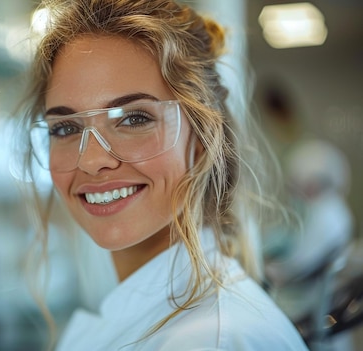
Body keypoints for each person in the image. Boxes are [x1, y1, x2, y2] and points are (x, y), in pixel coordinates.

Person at [18, 0, 309, 350]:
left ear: (202, 139)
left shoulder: (212, 340)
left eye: (134, 119)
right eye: (65, 127)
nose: (92, 161)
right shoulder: (147, 316)